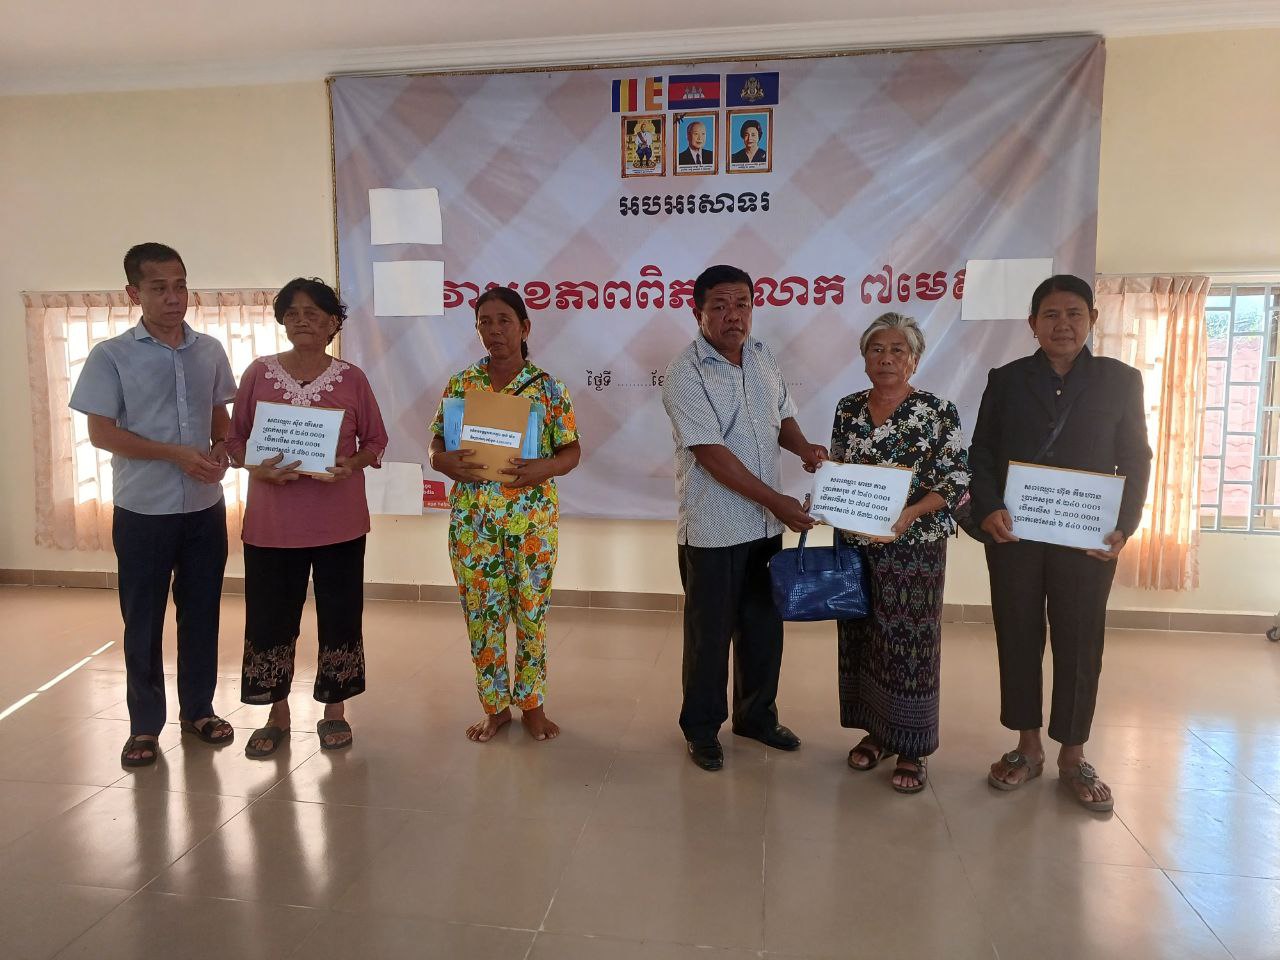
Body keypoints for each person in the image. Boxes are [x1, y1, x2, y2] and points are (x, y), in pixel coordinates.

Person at [969, 274, 1151, 812]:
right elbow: (981, 452)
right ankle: (1027, 746)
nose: (1063, 324)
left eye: (1074, 313)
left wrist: (1124, 525)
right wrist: (988, 507)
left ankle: (1073, 755)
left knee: (1079, 640)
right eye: (1050, 314)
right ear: (1032, 324)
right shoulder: (1005, 380)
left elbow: (1136, 457)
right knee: (1017, 633)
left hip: (1088, 538)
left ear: (1092, 319)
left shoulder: (1121, 380)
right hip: (1015, 533)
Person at [69, 243, 236, 767]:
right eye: (159, 287)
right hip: (143, 511)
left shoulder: (209, 350)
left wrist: (221, 449)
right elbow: (101, 433)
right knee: (142, 620)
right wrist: (175, 455)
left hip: (205, 508)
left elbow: (220, 416)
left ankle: (199, 711)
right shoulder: (111, 356)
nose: (173, 297)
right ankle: (144, 726)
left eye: (180, 285)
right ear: (133, 292)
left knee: (202, 613)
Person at [661, 264, 827, 771]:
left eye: (742, 305)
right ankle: (702, 728)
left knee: (762, 627)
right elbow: (711, 454)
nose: (733, 315)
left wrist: (804, 449)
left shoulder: (761, 356)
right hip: (713, 529)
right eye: (720, 306)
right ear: (698, 312)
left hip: (763, 528)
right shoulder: (685, 372)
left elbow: (781, 416)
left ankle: (756, 717)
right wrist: (778, 501)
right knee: (709, 638)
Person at [226, 278, 388, 758]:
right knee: (270, 618)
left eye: (313, 313)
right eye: (292, 313)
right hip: (272, 524)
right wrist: (254, 466)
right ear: (282, 320)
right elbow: (234, 440)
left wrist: (350, 465)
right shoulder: (258, 373)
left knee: (340, 615)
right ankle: (276, 714)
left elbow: (375, 442)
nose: (301, 321)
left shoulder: (353, 379)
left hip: (339, 523)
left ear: (333, 323)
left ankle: (335, 710)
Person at [428, 287, 581, 743]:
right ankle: (494, 708)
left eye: (504, 321)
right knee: (482, 616)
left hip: (531, 523)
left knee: (531, 614)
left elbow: (572, 451)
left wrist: (544, 467)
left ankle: (532, 705)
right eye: (485, 322)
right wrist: (439, 460)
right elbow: (437, 441)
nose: (494, 330)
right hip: (473, 523)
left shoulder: (548, 387)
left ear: (524, 328)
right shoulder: (462, 384)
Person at [830, 313, 969, 794]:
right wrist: (826, 493)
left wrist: (910, 513)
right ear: (864, 357)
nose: (886, 358)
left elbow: (955, 479)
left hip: (915, 548)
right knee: (865, 635)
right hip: (856, 545)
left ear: (914, 359)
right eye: (877, 349)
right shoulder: (848, 408)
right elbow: (840, 468)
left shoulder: (937, 411)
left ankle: (912, 747)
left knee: (910, 644)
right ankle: (877, 733)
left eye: (897, 350)